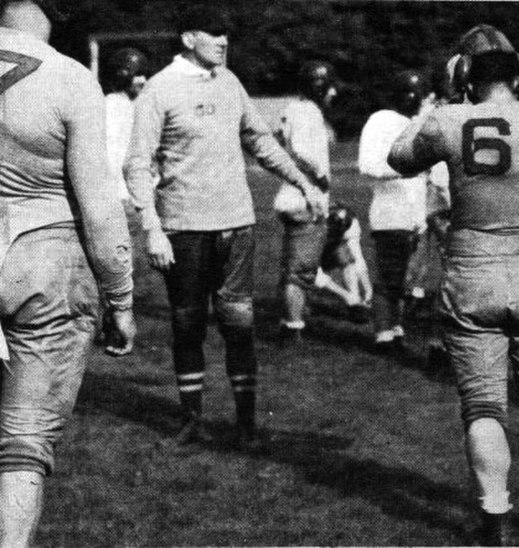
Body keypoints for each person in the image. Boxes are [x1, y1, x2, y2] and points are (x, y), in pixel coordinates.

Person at [388, 25, 519, 546]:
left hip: (474, 271)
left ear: (465, 73)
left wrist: (442, 97)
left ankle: (496, 519)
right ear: (518, 71)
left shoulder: (447, 119)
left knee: (483, 406)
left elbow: (398, 155)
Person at [124, 5, 324, 447]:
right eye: (214, 33)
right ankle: (192, 418)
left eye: (226, 33)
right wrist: (152, 228)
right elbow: (136, 165)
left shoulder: (230, 83)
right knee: (188, 322)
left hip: (236, 223)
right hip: (184, 228)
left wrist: (302, 181)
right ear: (188, 38)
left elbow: (258, 139)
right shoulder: (159, 90)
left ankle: (247, 425)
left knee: (239, 322)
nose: (224, 40)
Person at [0, 1, 135, 545]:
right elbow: (100, 208)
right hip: (43, 262)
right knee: (23, 443)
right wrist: (121, 301)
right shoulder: (68, 78)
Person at [358, 69, 430, 353]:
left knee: (406, 279)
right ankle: (383, 333)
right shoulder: (381, 121)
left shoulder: (415, 122)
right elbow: (369, 165)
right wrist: (405, 170)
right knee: (389, 277)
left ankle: (396, 327)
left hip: (413, 214)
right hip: (390, 213)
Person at [274, 60, 335, 346]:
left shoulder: (292, 109)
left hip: (289, 196)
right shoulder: (308, 111)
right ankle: (292, 325)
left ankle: (289, 317)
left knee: (293, 265)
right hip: (304, 198)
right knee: (300, 271)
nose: (333, 93)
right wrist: (320, 176)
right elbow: (299, 149)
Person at [314, 203, 372, 321]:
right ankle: (351, 299)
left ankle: (354, 304)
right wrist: (344, 295)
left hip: (331, 242)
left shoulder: (351, 225)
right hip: (311, 250)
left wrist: (368, 289)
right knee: (301, 279)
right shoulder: (313, 231)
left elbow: (357, 257)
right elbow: (312, 272)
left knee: (346, 255)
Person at [105, 47, 149, 202]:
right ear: (122, 75)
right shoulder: (113, 106)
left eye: (144, 75)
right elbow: (113, 157)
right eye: (137, 75)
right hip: (123, 195)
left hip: (138, 190)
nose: (143, 80)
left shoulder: (134, 105)